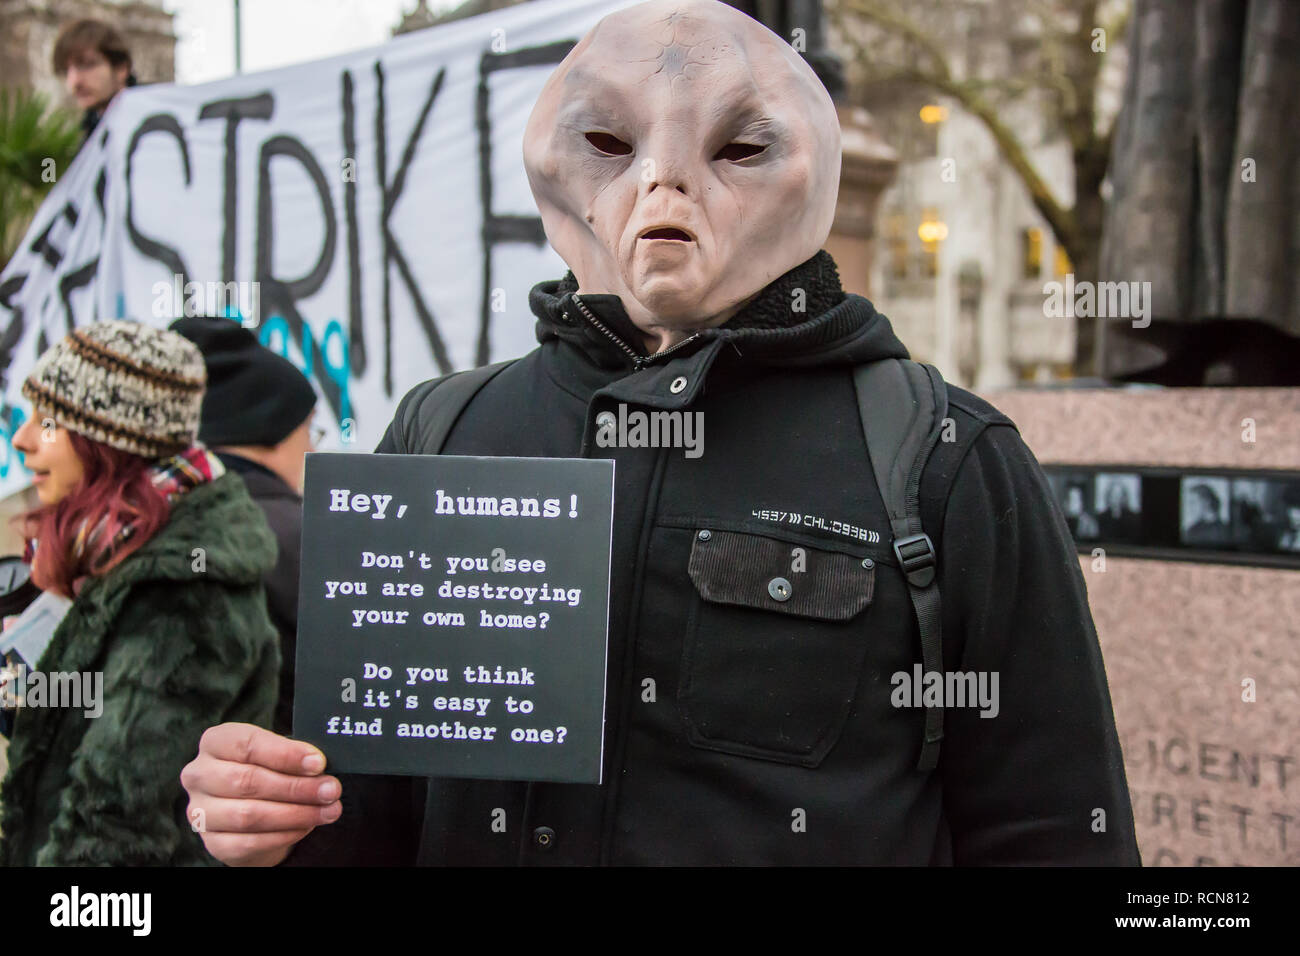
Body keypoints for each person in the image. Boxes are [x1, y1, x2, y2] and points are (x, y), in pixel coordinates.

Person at [181, 0, 1139, 866]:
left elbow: (1054, 830)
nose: (664, 184)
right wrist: (268, 819)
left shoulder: (944, 459)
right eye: (610, 141)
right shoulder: (444, 434)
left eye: (740, 148)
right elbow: (367, 807)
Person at [0, 320, 280, 866]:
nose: (22, 438)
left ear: (109, 442)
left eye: (49, 421)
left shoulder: (184, 592)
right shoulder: (112, 557)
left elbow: (110, 831)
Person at [171, 316, 318, 736]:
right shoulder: (306, 537)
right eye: (308, 428)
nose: (311, 446)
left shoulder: (142, 524)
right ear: (268, 429)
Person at [51, 18, 135, 141]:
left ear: (120, 68)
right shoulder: (90, 131)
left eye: (87, 65)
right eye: (66, 71)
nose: (74, 82)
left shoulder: (153, 124)